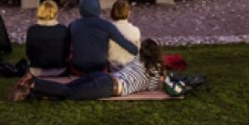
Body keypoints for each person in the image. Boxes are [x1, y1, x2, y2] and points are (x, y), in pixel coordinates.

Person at [9, 38, 165, 102]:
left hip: (103, 77)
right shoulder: (154, 70)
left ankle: (31, 92)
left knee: (68, 88)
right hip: (111, 86)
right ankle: (33, 83)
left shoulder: (138, 59)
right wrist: (161, 79)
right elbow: (151, 87)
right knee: (69, 93)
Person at [67, 0, 137, 74]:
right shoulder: (107, 25)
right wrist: (138, 51)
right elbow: (125, 44)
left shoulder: (73, 25)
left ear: (81, 9)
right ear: (98, 9)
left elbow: (67, 47)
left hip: (78, 67)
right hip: (99, 67)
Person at [25, 0, 70, 77]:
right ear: (56, 13)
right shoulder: (63, 30)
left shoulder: (32, 30)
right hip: (59, 69)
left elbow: (29, 53)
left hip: (37, 70)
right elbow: (66, 53)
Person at [108, 0, 141, 71]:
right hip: (129, 70)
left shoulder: (106, 30)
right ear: (128, 13)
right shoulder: (135, 31)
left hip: (112, 68)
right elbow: (138, 54)